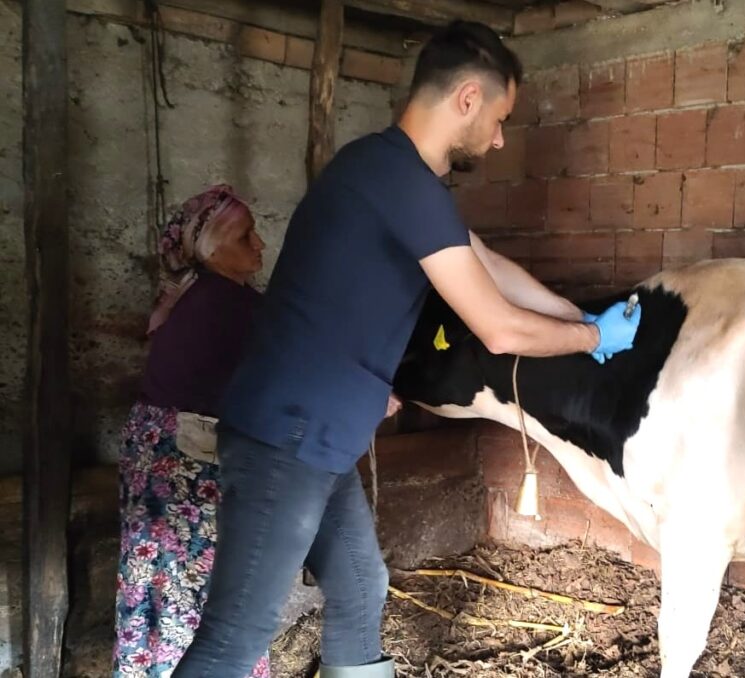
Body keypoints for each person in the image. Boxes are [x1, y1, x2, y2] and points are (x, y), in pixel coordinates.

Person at [173, 20, 641, 678]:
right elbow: (499, 328)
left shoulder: (386, 172)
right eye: (502, 118)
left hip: (318, 435)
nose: (501, 138)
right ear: (468, 99)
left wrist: (574, 313)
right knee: (235, 636)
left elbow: (486, 263)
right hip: (290, 436)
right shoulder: (401, 182)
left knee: (362, 586)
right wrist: (593, 339)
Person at [113, 185, 271, 677]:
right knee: (203, 593)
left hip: (157, 453)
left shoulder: (195, 295)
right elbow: (285, 373)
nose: (260, 244)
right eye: (246, 236)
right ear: (214, 250)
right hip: (182, 461)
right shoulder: (225, 303)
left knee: (161, 588)